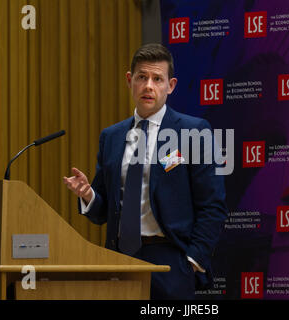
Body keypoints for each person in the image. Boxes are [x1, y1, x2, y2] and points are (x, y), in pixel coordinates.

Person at [63, 43, 227, 300]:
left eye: (157, 79)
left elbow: (213, 206)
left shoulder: (193, 132)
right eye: (142, 77)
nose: (148, 85)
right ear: (130, 81)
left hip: (171, 263)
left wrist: (192, 263)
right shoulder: (112, 137)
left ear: (170, 86)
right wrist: (88, 195)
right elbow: (102, 212)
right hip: (118, 260)